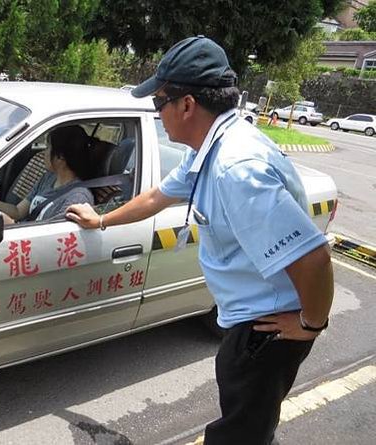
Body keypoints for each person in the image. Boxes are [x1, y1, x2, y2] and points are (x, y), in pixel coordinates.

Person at [66, 36, 334, 445]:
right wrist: (100, 220)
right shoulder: (211, 146)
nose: (157, 115)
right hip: (251, 321)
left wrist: (310, 325)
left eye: (159, 103)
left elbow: (314, 259)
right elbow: (157, 197)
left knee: (239, 434)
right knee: (253, 424)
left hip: (267, 330)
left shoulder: (236, 169)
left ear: (187, 105)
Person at [0, 125, 94, 224]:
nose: (44, 152)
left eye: (48, 147)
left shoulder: (77, 198)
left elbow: (53, 238)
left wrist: (10, 224)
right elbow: (18, 211)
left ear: (60, 157)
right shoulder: (48, 178)